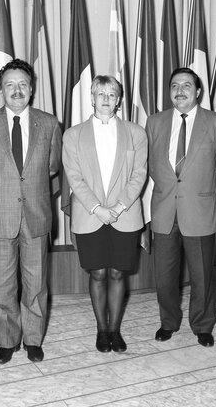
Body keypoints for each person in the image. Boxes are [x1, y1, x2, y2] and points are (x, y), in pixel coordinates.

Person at [0, 59, 61, 364]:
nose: (17, 90)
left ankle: (33, 340)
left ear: (32, 88)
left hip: (36, 216)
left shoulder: (49, 123)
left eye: (23, 83)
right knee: (3, 285)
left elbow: (54, 169)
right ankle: (8, 340)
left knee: (36, 285)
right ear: (0, 89)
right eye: (9, 84)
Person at [146, 67, 216, 348]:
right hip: (164, 212)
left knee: (202, 277)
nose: (180, 90)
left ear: (198, 91)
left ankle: (202, 325)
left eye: (187, 85)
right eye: (174, 85)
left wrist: (207, 195)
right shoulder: (155, 122)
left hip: (200, 213)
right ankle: (168, 322)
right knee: (164, 277)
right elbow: (150, 164)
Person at [62, 75, 147, 353]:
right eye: (101, 94)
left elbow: (139, 175)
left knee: (118, 273)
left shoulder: (136, 132)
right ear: (92, 98)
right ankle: (101, 330)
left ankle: (116, 330)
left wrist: (119, 207)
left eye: (112, 94)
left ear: (119, 99)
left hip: (125, 214)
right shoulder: (73, 135)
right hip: (90, 215)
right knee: (98, 273)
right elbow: (74, 177)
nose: (106, 99)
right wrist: (98, 208)